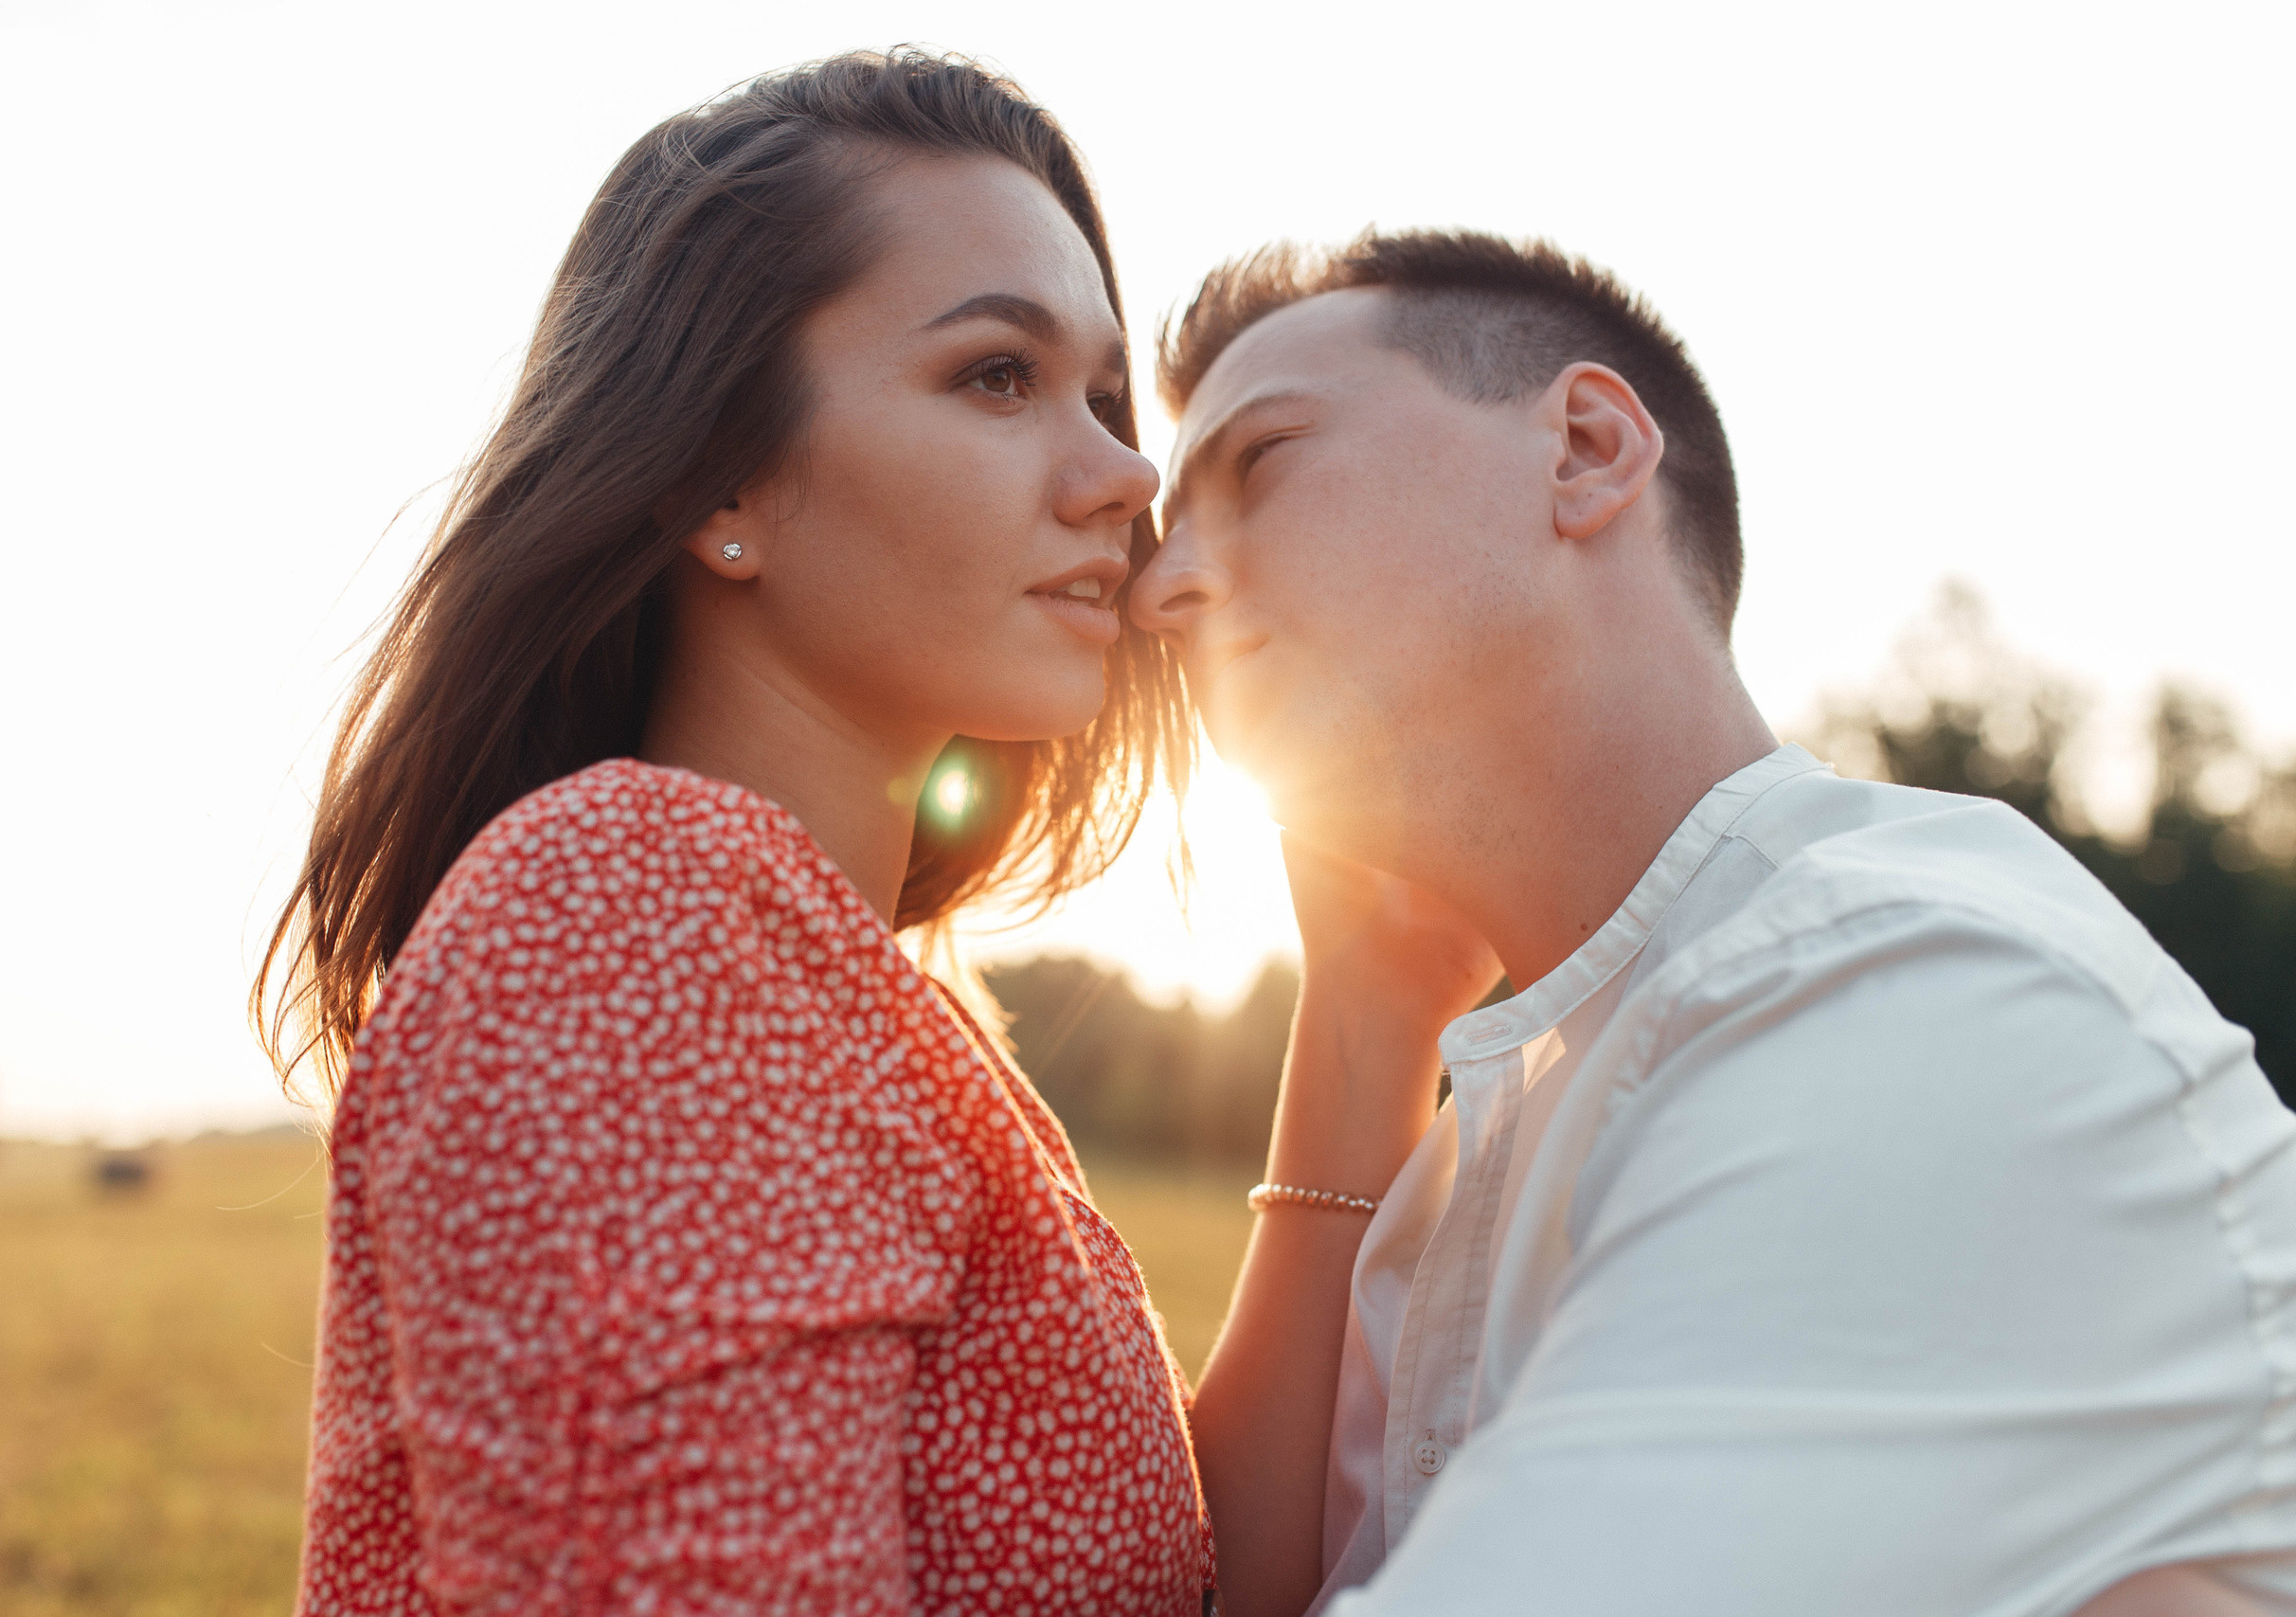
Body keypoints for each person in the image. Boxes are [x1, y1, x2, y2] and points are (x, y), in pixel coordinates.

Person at [1132, 228, 2296, 1617]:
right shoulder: (1486, 1137)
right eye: (1161, 543)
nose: (1160, 592)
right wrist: (1365, 1018)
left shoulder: (1908, 987)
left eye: (1259, 463)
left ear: (1585, 448)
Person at [255, 50, 1211, 1615]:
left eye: (1105, 396)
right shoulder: (631, 909)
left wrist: (1367, 992)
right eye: (996, 376)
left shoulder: (874, 994)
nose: (1125, 472)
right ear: (722, 482)